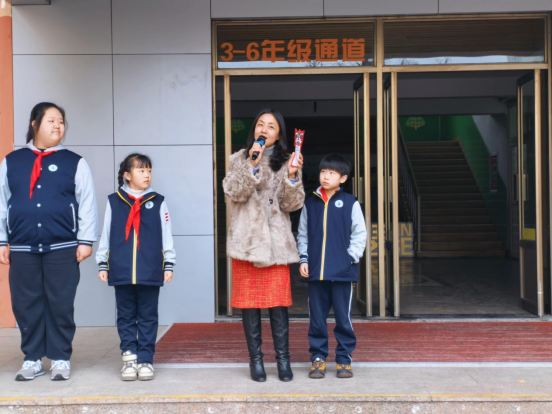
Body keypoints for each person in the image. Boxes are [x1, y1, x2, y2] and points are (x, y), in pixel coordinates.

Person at [0, 102, 98, 381]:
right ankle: (32, 358)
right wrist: (2, 241)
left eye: (61, 121)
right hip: (22, 247)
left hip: (63, 246)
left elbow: (87, 202)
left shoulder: (74, 162)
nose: (58, 126)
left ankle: (60, 357)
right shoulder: (12, 161)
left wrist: (86, 240)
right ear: (35, 124)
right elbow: (1, 202)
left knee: (60, 303)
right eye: (51, 121)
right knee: (25, 303)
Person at [222, 108, 305, 382]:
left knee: (278, 305)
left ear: (278, 135)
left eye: (271, 126)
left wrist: (292, 176)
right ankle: (255, 361)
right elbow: (234, 192)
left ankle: (283, 360)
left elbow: (292, 204)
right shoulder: (238, 159)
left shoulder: (288, 161)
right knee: (249, 305)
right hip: (247, 244)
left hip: (275, 246)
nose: (264, 130)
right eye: (260, 124)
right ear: (254, 129)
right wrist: (252, 165)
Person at [96, 153, 175, 381]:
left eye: (149, 170)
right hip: (121, 269)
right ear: (128, 175)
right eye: (141, 170)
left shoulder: (158, 201)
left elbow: (166, 233)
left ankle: (146, 360)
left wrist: (168, 263)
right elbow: (106, 233)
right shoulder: (115, 201)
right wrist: (103, 263)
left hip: (150, 269)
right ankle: (129, 358)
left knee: (148, 316)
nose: (147, 175)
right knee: (126, 316)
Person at [297, 153, 367, 379]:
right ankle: (318, 358)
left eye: (332, 173)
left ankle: (344, 359)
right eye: (323, 172)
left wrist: (349, 258)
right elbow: (302, 234)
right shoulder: (310, 203)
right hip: (316, 273)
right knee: (316, 319)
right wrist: (304, 259)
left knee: (343, 319)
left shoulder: (350, 202)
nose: (326, 176)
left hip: (343, 273)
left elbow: (360, 234)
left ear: (343, 178)